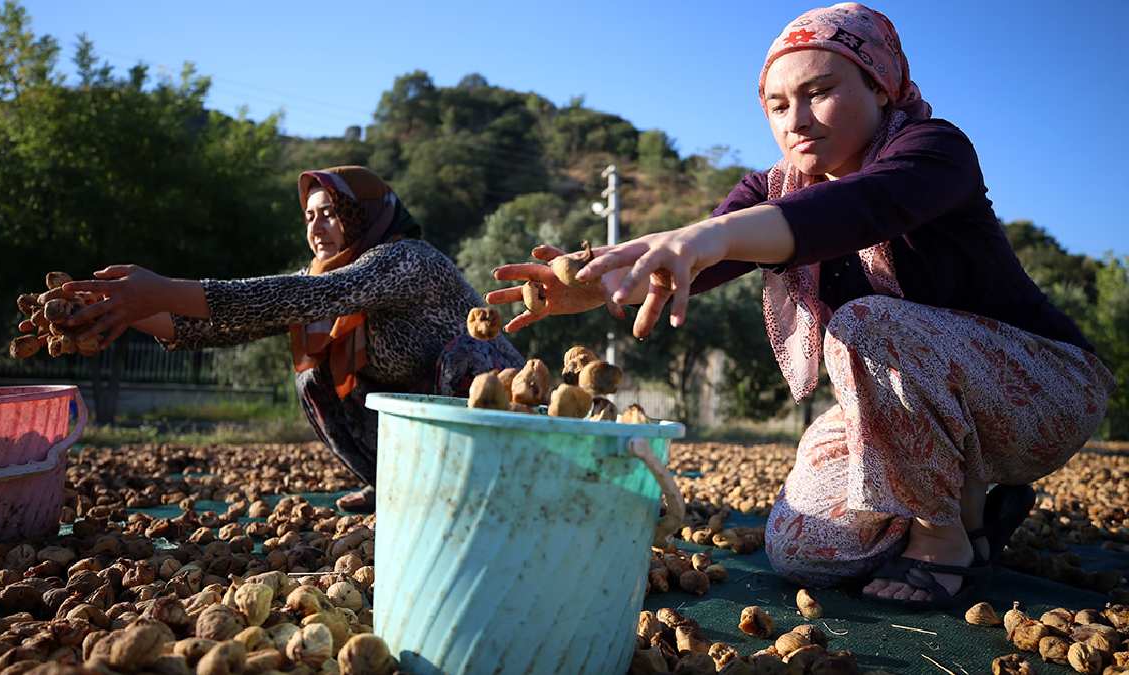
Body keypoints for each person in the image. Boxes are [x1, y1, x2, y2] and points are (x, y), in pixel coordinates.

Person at [488, 3, 1114, 608]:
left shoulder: (934, 150)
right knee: (804, 549)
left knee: (863, 326)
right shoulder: (774, 190)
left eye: (820, 91)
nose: (797, 119)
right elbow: (705, 252)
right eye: (778, 105)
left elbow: (856, 210)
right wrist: (594, 282)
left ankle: (942, 536)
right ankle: (974, 504)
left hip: (1040, 391)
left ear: (881, 88)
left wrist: (712, 237)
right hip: (913, 409)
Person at [63, 166, 523, 513]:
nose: (317, 227)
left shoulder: (406, 258)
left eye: (330, 213)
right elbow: (230, 322)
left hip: (500, 418)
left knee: (465, 356)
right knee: (313, 376)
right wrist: (120, 310)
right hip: (423, 411)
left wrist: (162, 289)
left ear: (362, 215)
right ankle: (392, 486)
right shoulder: (327, 274)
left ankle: (485, 493)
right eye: (309, 216)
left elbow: (294, 295)